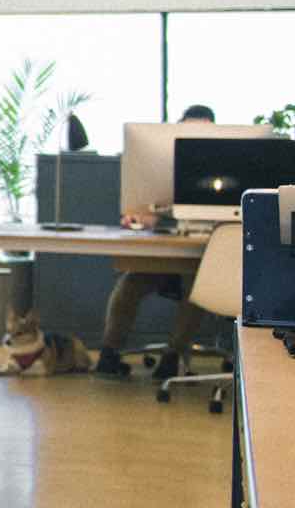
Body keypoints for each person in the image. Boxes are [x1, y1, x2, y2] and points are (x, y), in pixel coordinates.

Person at [94, 104, 219, 380]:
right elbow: (149, 211)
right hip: (166, 256)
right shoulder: (161, 164)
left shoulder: (222, 168)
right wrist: (143, 217)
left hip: (207, 259)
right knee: (129, 284)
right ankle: (109, 353)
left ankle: (172, 356)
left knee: (195, 290)